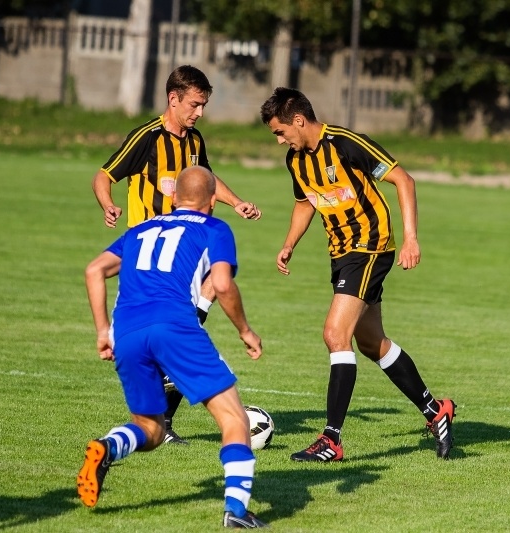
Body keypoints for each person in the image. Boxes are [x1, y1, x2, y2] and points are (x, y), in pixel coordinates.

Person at [259, 87, 456, 461]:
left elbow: (404, 180)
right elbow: (306, 203)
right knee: (371, 342)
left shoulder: (348, 144)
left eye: (280, 131)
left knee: (335, 334)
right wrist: (289, 243)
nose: (280, 139)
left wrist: (412, 239)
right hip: (341, 253)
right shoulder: (295, 160)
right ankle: (436, 411)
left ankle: (331, 440)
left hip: (370, 247)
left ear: (298, 120)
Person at [78, 166, 267, 528]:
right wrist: (245, 330)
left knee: (151, 429)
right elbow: (223, 285)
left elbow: (94, 270)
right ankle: (237, 512)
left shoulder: (139, 230)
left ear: (173, 198)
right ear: (213, 201)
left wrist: (104, 330)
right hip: (174, 326)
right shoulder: (214, 228)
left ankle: (107, 447)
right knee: (234, 418)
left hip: (127, 332)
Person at [91, 64, 262, 444]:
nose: (199, 113)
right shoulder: (147, 139)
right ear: (174, 98)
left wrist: (235, 204)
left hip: (184, 249)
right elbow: (103, 176)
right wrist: (108, 204)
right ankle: (161, 413)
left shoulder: (194, 141)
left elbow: (207, 181)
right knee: (192, 317)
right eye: (195, 104)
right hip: (148, 256)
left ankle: (160, 422)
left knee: (211, 290)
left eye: (203, 105)